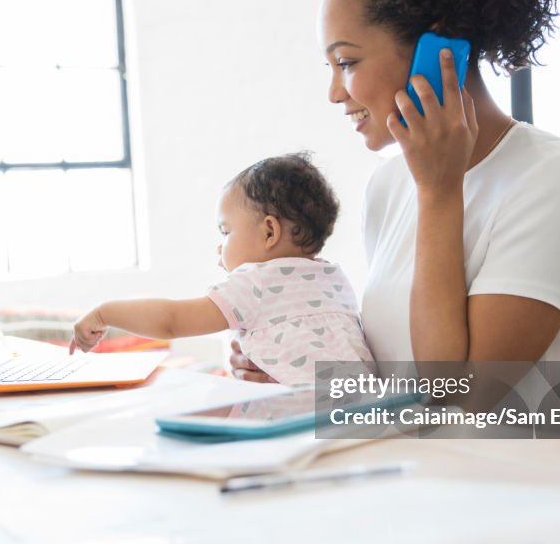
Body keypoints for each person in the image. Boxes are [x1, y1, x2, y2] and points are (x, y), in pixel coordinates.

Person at [232, 0, 560, 382]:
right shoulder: (389, 184)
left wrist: (438, 192)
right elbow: (397, 379)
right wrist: (295, 370)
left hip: (509, 451)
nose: (334, 93)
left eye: (347, 62)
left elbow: (462, 394)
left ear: (439, 50)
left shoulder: (558, 179)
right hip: (404, 449)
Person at [70, 153, 373, 386]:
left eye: (226, 233)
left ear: (269, 232)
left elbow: (171, 321)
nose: (220, 247)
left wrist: (104, 312)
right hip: (363, 410)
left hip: (299, 418)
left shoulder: (255, 282)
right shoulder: (334, 280)